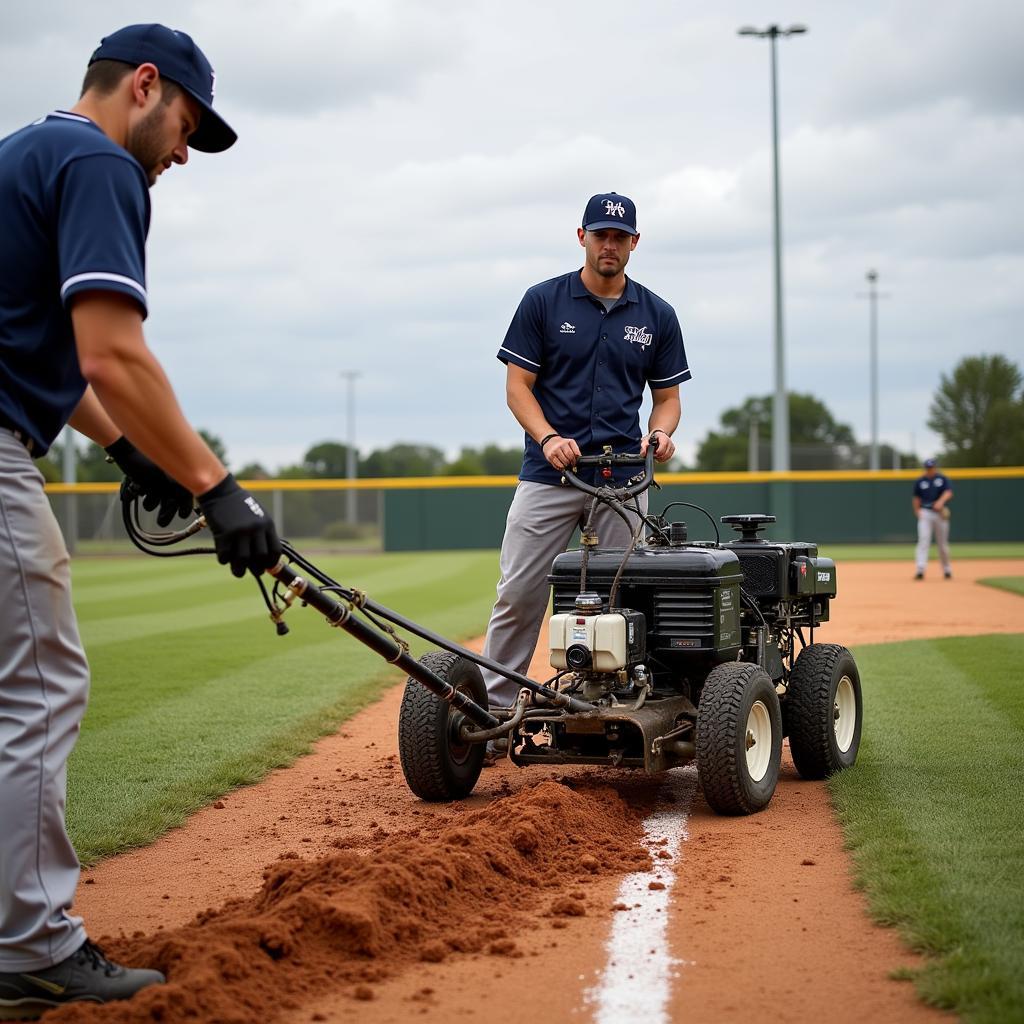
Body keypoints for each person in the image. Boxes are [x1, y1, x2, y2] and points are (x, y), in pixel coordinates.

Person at [0, 24, 281, 1018]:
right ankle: (30, 947)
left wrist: (124, 449)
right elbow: (113, 352)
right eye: (184, 131)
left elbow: (43, 354)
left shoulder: (21, 155)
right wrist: (214, 486)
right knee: (40, 685)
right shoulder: (96, 162)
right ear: (145, 88)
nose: (179, 159)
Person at [481, 192, 691, 710]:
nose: (609, 245)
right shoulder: (543, 301)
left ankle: (619, 703)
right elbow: (517, 388)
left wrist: (661, 434)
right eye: (601, 235)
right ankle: (497, 707)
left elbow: (667, 399)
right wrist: (548, 437)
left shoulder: (657, 313)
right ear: (582, 237)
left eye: (620, 237)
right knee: (519, 593)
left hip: (621, 478)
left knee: (625, 597)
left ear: (634, 243)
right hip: (548, 473)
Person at [912, 457, 953, 580]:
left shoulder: (942, 479)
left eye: (932, 467)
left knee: (942, 544)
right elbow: (916, 498)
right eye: (928, 468)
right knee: (923, 541)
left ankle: (947, 569)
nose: (930, 469)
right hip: (925, 512)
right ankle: (920, 569)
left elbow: (949, 492)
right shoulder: (920, 481)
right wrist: (917, 511)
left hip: (940, 513)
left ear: (935, 467)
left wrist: (940, 501)